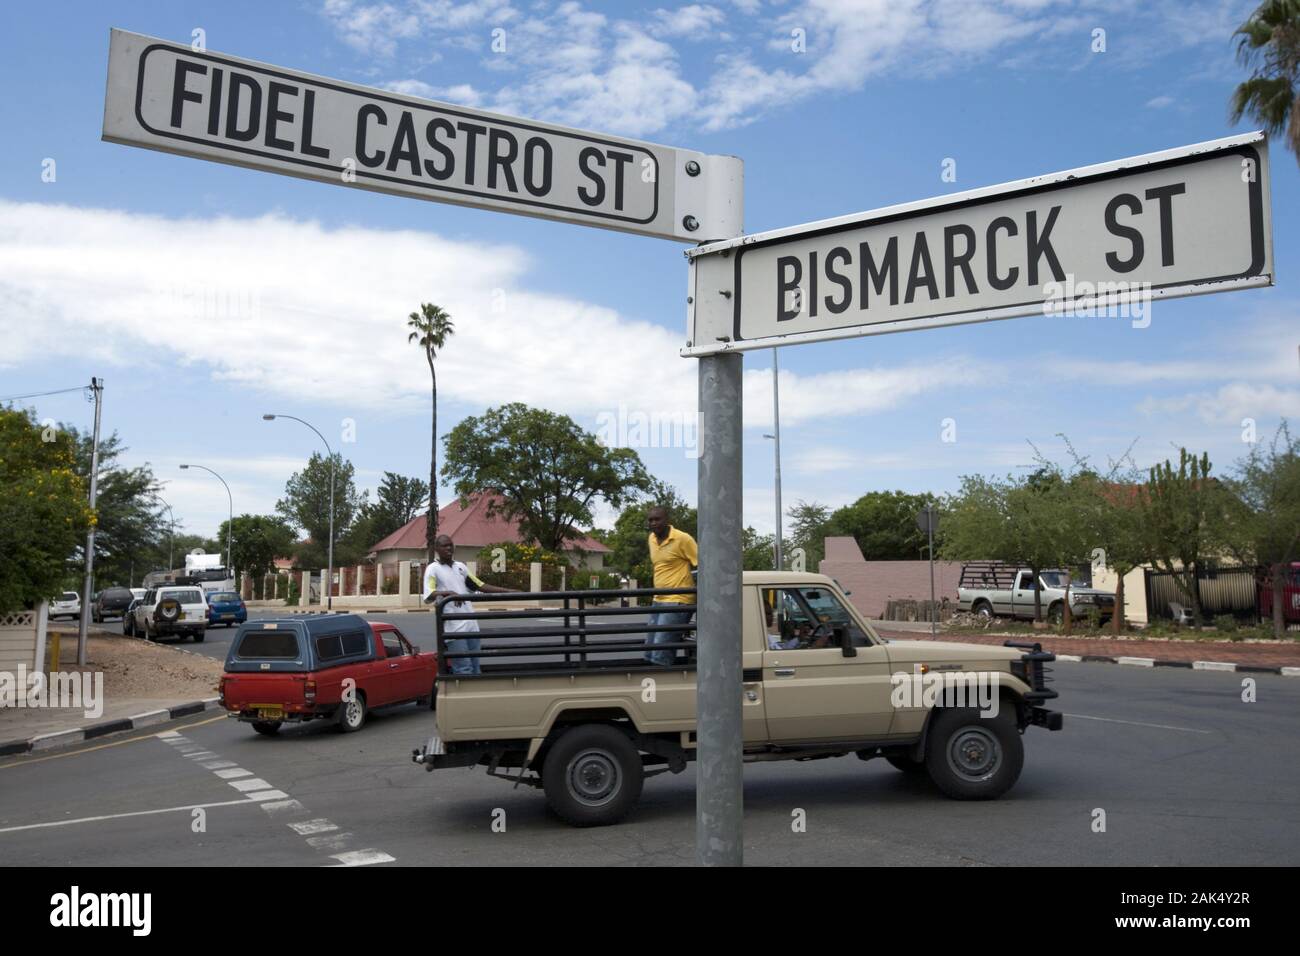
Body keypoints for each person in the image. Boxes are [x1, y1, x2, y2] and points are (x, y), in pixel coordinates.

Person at [423, 533, 511, 675]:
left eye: (450, 545)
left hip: (471, 626)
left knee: (475, 667)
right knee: (463, 669)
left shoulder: (460, 567)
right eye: (444, 545)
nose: (448, 548)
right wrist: (449, 593)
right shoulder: (433, 569)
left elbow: (479, 585)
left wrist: (509, 591)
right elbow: (429, 594)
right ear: (437, 549)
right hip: (453, 629)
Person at [644, 506, 698, 666]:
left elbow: (702, 563)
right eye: (650, 520)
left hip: (678, 599)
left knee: (660, 651)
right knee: (649, 649)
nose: (653, 523)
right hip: (658, 599)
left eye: (657, 519)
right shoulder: (651, 539)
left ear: (667, 520)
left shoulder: (683, 539)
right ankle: (653, 678)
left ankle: (663, 679)